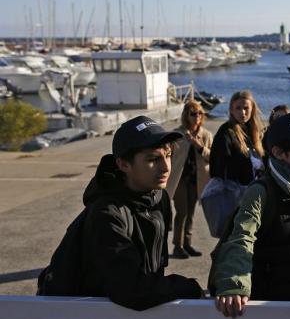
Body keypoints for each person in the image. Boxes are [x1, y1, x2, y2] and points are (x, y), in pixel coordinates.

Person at [48, 116, 203, 309]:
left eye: (168, 155)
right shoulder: (107, 214)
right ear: (123, 165)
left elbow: (153, 270)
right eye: (153, 159)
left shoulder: (158, 197)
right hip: (82, 310)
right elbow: (132, 289)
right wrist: (188, 287)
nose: (165, 167)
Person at [212, 112, 290, 317]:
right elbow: (242, 237)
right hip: (267, 304)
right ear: (279, 152)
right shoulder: (261, 191)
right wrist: (234, 284)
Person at [167, 100, 213, 259]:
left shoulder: (206, 135)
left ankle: (187, 244)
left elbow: (213, 158)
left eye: (200, 113)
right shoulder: (177, 135)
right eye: (193, 113)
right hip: (180, 180)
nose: (197, 116)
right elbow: (167, 156)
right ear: (186, 115)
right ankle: (177, 246)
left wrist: (199, 146)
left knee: (191, 213)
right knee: (182, 212)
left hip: (198, 180)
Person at [210, 91, 265, 185]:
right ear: (231, 110)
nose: (242, 112)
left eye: (246, 108)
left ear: (253, 109)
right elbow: (219, 168)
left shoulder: (255, 131)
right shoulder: (226, 132)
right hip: (235, 193)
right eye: (238, 108)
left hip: (255, 190)